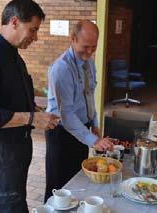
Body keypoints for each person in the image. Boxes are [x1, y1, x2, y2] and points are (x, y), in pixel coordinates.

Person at [0, 0, 59, 212]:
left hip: (17, 147)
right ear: (14, 22)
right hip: (0, 149)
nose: (35, 37)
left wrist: (35, 110)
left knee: (15, 202)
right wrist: (33, 118)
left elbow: (12, 99)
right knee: (10, 206)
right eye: (33, 30)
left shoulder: (14, 56)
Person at [44, 20, 114, 202]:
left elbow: (89, 95)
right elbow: (66, 114)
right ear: (73, 39)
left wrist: (95, 125)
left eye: (94, 47)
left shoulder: (89, 62)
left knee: (76, 180)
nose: (90, 52)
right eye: (86, 47)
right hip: (60, 131)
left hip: (81, 128)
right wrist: (94, 141)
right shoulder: (61, 68)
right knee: (58, 186)